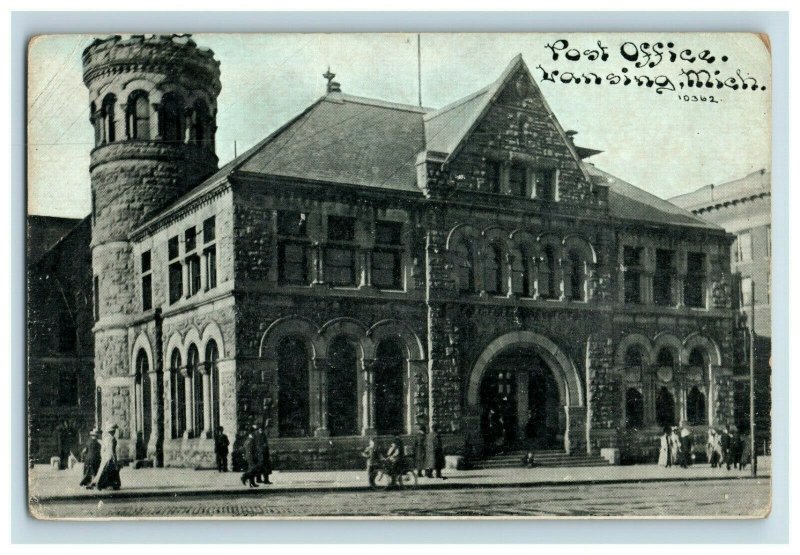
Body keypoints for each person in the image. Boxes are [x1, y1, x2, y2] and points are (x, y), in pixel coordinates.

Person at [92, 423, 120, 491]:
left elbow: (103, 449)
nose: (115, 432)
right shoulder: (111, 438)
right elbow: (111, 450)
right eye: (114, 430)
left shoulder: (106, 438)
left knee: (104, 470)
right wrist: (113, 458)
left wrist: (103, 456)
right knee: (109, 471)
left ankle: (98, 482)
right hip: (110, 456)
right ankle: (102, 484)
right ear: (112, 431)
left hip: (105, 456)